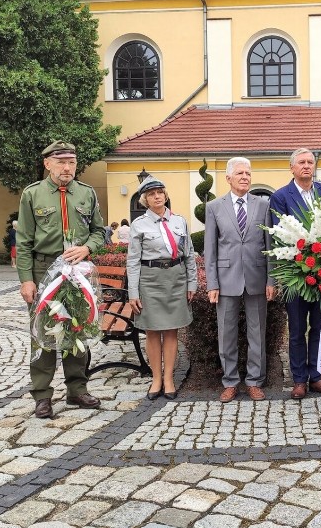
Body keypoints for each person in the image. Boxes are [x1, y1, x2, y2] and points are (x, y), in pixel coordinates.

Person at [16, 141, 106, 419]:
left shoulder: (86, 193)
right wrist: (26, 280)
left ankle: (77, 390)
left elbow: (100, 232)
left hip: (77, 270)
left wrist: (87, 248)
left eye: (72, 163)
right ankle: (42, 395)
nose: (67, 168)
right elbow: (23, 242)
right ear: (48, 164)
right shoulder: (32, 195)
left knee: (76, 329)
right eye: (61, 163)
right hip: (44, 270)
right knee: (42, 332)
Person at [269, 148, 321, 399]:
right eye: (301, 162)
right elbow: (279, 233)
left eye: (310, 162)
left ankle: (317, 376)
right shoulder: (280, 197)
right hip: (295, 273)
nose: (307, 165)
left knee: (319, 327)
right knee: (298, 329)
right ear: (292, 168)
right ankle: (299, 379)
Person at [205, 158, 275, 402]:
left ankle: (255, 381)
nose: (245, 177)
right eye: (239, 173)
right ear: (228, 178)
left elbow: (270, 246)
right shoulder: (214, 207)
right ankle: (230, 381)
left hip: (257, 278)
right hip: (226, 280)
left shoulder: (264, 205)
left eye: (248, 173)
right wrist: (212, 283)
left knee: (257, 333)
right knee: (227, 334)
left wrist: (271, 280)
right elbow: (210, 249)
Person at [127, 177, 197, 400]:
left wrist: (191, 283)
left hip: (176, 279)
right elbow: (133, 261)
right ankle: (156, 378)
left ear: (165, 195)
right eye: (151, 194)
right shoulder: (139, 226)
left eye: (160, 192)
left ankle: (169, 378)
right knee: (152, 331)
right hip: (150, 280)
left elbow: (189, 256)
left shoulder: (179, 221)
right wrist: (133, 293)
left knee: (171, 330)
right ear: (145, 200)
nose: (157, 196)